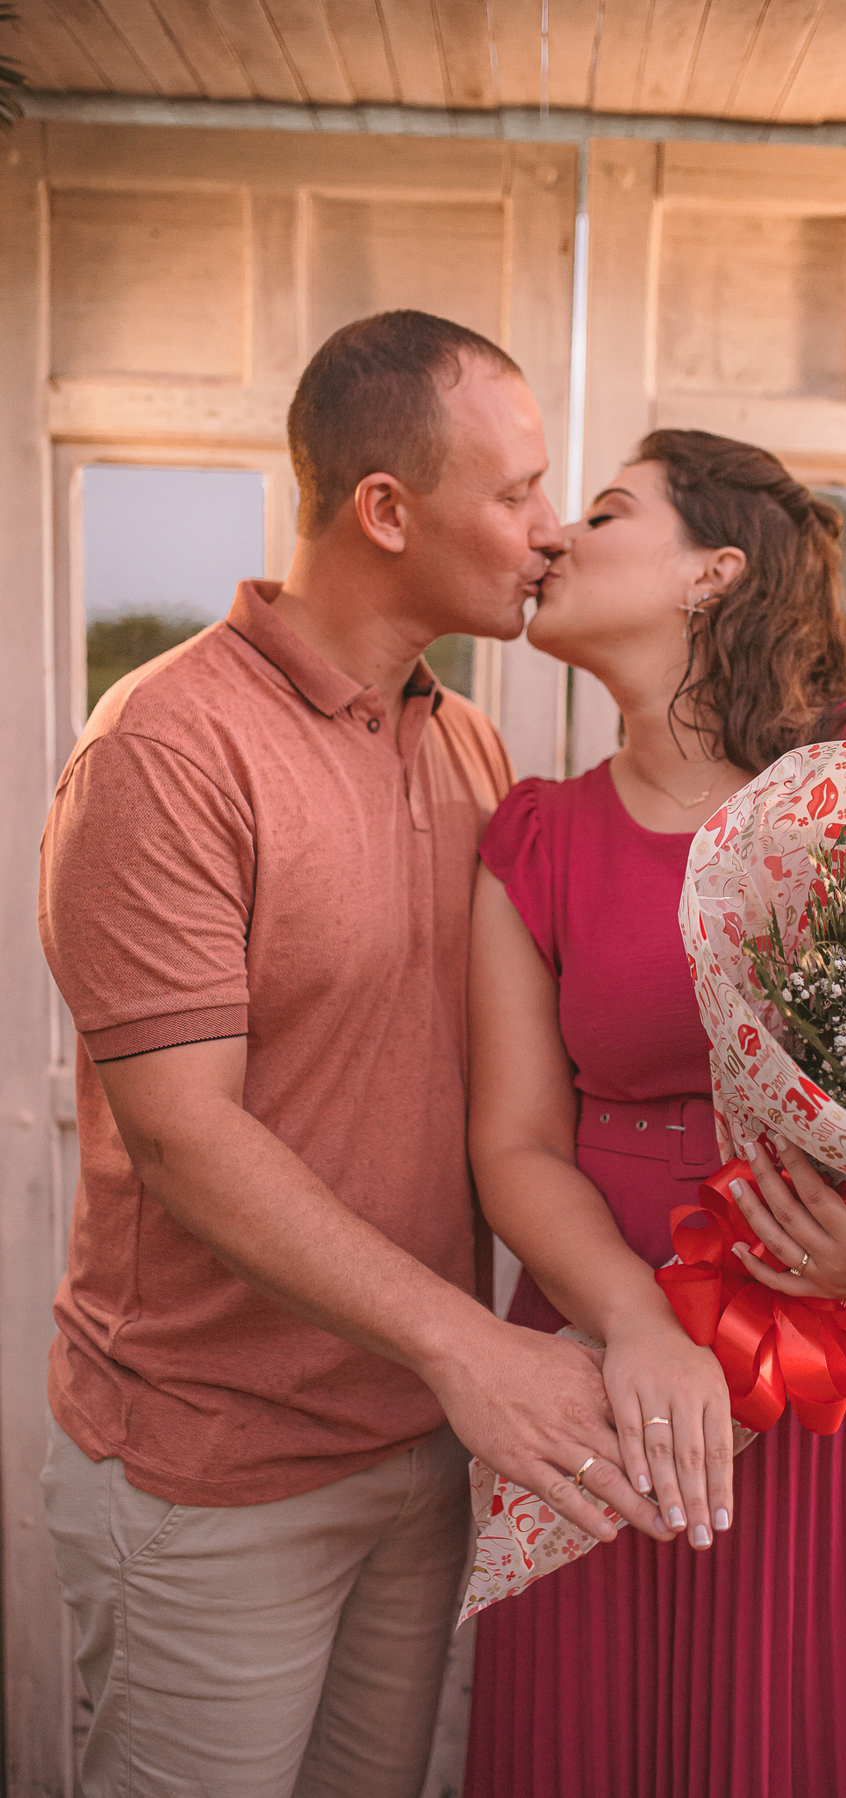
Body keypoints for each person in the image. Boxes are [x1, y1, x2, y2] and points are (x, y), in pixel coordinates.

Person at [37, 310, 667, 1798]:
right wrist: (472, 1347)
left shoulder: (470, 747)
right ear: (385, 510)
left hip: (417, 1446)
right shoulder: (168, 749)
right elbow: (190, 1136)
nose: (548, 527)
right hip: (216, 1471)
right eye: (514, 492)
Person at [463, 429, 846, 1798]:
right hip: (623, 1403)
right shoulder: (535, 837)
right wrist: (632, 1324)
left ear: (715, 571)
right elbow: (512, 1143)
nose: (553, 533)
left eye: (608, 511)